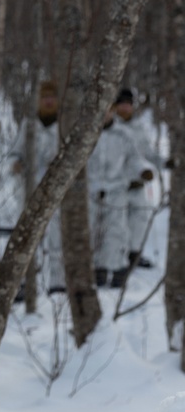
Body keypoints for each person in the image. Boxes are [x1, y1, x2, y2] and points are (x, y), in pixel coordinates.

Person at [3, 80, 65, 294]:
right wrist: (16, 164)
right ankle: (24, 283)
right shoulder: (29, 125)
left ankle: (58, 282)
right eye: (44, 97)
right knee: (26, 237)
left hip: (55, 192)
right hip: (28, 192)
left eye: (52, 97)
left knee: (57, 236)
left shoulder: (63, 126)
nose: (48, 101)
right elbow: (14, 153)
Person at [87, 101, 154, 288]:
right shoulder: (87, 134)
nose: (105, 113)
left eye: (108, 109)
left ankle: (118, 270)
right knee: (93, 232)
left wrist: (143, 171)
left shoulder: (124, 134)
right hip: (92, 191)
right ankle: (97, 270)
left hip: (116, 190)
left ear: (112, 110)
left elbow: (135, 159)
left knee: (116, 232)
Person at [112, 88, 161, 269]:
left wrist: (163, 162)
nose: (125, 108)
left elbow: (148, 153)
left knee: (140, 218)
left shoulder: (139, 128)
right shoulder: (111, 126)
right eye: (122, 104)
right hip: (116, 185)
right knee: (117, 224)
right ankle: (116, 257)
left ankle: (134, 253)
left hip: (137, 183)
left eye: (128, 105)